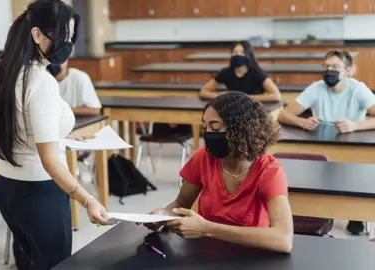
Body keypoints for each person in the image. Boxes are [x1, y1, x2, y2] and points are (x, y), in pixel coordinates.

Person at [0, 1, 111, 269]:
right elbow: (49, 160)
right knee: (56, 263)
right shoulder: (41, 82)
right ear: (37, 34)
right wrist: (87, 198)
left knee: (30, 262)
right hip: (40, 192)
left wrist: (60, 138)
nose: (67, 44)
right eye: (62, 36)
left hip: (8, 187)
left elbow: (20, 129)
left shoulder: (2, 74)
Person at [143, 92, 293, 253]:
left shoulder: (269, 171)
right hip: (205, 251)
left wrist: (207, 229)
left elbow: (283, 239)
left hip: (250, 254)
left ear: (242, 130)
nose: (208, 133)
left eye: (215, 127)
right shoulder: (204, 157)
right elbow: (181, 202)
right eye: (205, 127)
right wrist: (163, 214)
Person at [278, 49, 375, 235]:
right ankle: (312, 211)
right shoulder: (316, 88)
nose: (329, 70)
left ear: (349, 70)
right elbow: (284, 114)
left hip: (352, 147)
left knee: (352, 172)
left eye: (335, 67)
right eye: (326, 66)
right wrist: (302, 121)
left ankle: (356, 215)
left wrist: (355, 125)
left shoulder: (358, 89)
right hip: (320, 144)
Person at [199, 41, 281, 102]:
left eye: (242, 52)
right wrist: (221, 96)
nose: (238, 55)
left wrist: (245, 98)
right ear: (231, 55)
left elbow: (276, 96)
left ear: (248, 55)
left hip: (254, 108)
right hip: (233, 108)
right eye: (235, 52)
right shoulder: (226, 72)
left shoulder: (257, 73)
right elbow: (203, 91)